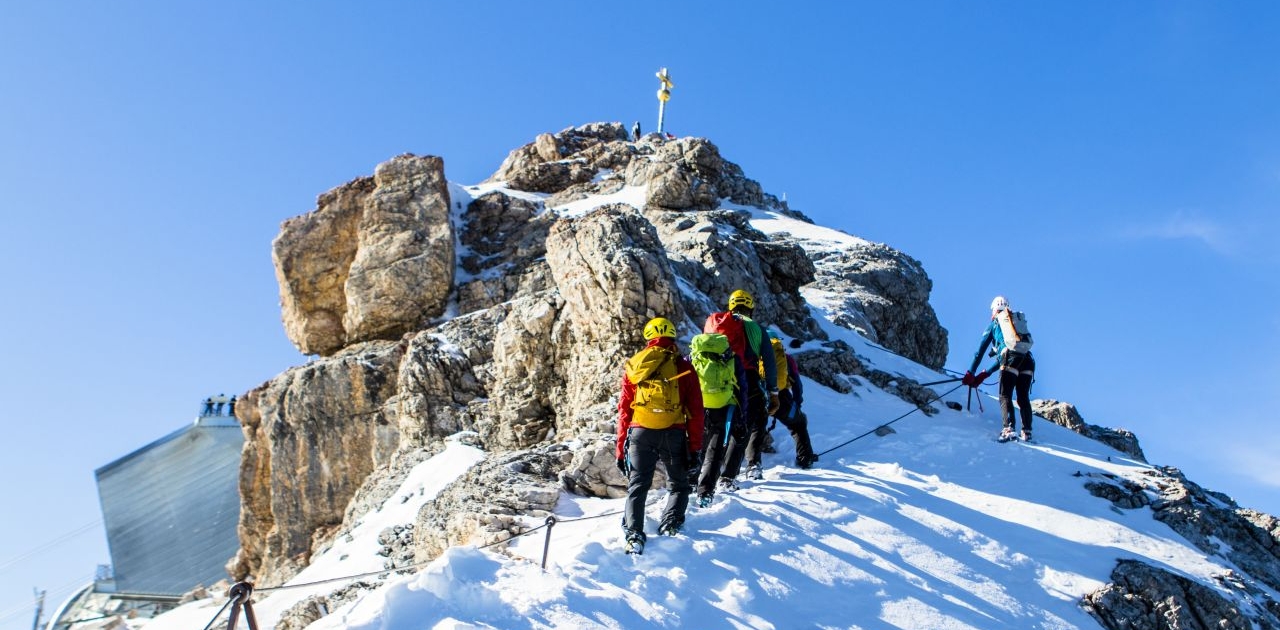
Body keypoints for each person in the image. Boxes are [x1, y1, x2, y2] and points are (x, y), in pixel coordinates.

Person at [616, 317, 705, 555]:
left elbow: (624, 410)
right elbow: (696, 412)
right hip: (673, 432)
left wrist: (620, 446)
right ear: (673, 338)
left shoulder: (635, 366)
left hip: (640, 431)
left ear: (647, 338)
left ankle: (634, 533)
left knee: (638, 485)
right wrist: (695, 448)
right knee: (678, 484)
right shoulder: (684, 366)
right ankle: (671, 523)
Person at [705, 289, 778, 483]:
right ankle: (730, 476)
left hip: (715, 380)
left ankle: (703, 477)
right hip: (747, 379)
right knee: (743, 427)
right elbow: (769, 362)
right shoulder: (756, 328)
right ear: (750, 309)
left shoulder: (715, 323)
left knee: (716, 429)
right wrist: (773, 392)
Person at [964, 295, 1037, 441]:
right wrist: (986, 373)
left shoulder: (995, 324)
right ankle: (1027, 432)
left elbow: (980, 352)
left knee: (1005, 395)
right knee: (1023, 396)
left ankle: (1009, 428)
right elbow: (1004, 356)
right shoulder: (1015, 323)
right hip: (1028, 359)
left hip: (1011, 359)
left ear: (994, 310)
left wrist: (971, 373)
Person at [688, 333, 746, 507]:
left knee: (695, 446)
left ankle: (690, 482)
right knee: (715, 452)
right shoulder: (732, 359)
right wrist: (742, 414)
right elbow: (741, 388)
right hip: (724, 408)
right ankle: (705, 492)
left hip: (697, 408)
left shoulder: (692, 358)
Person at [769, 335, 817, 469]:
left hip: (757, 396)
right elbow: (797, 385)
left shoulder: (754, 356)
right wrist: (797, 403)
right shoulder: (786, 359)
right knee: (799, 423)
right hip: (782, 398)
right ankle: (805, 458)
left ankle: (752, 464)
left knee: (755, 427)